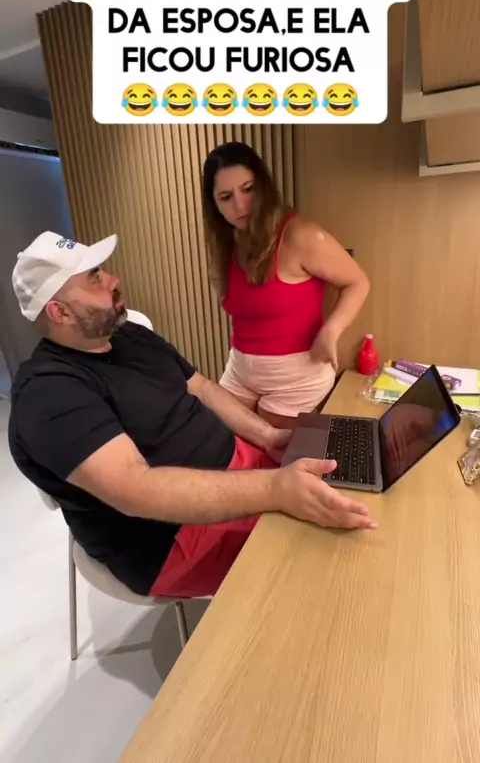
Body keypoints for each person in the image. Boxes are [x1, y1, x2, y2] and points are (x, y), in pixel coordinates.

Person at [8, 231, 377, 600]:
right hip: (174, 537)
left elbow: (201, 387)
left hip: (242, 467)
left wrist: (268, 437)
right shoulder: (48, 393)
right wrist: (272, 489)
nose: (113, 280)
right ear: (60, 312)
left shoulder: (129, 335)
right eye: (94, 279)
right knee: (326, 562)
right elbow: (135, 490)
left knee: (357, 489)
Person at [201, 142, 371, 429]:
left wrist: (331, 330)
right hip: (241, 370)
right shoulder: (227, 242)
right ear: (214, 204)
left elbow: (358, 282)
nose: (239, 205)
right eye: (226, 197)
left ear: (263, 187)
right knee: (219, 438)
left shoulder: (300, 236)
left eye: (248, 189)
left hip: (296, 376)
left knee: (273, 452)